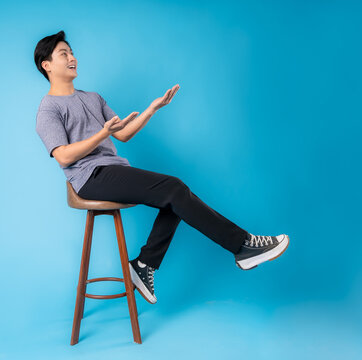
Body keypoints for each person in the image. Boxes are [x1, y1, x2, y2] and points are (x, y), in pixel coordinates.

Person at [34, 30, 290, 304]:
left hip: (112, 169)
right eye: (64, 54)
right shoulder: (48, 109)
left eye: (72, 52)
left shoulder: (93, 98)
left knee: (174, 194)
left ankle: (144, 266)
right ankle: (242, 245)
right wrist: (100, 134)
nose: (72, 58)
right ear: (46, 65)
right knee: (174, 189)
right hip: (88, 177)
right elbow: (63, 156)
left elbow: (122, 133)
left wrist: (152, 109)